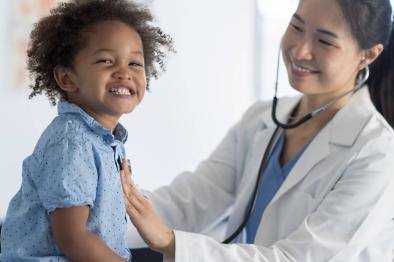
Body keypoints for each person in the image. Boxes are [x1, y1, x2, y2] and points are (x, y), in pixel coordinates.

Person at [120, 0, 394, 261]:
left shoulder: (377, 153)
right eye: (296, 26)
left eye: (324, 41)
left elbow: (298, 259)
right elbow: (189, 201)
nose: (300, 51)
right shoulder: (260, 120)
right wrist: (102, 211)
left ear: (368, 55)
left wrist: (169, 242)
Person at [0, 0, 173, 261]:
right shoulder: (73, 142)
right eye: (106, 60)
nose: (124, 73)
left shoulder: (104, 140)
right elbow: (73, 238)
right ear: (68, 78)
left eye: (135, 64)